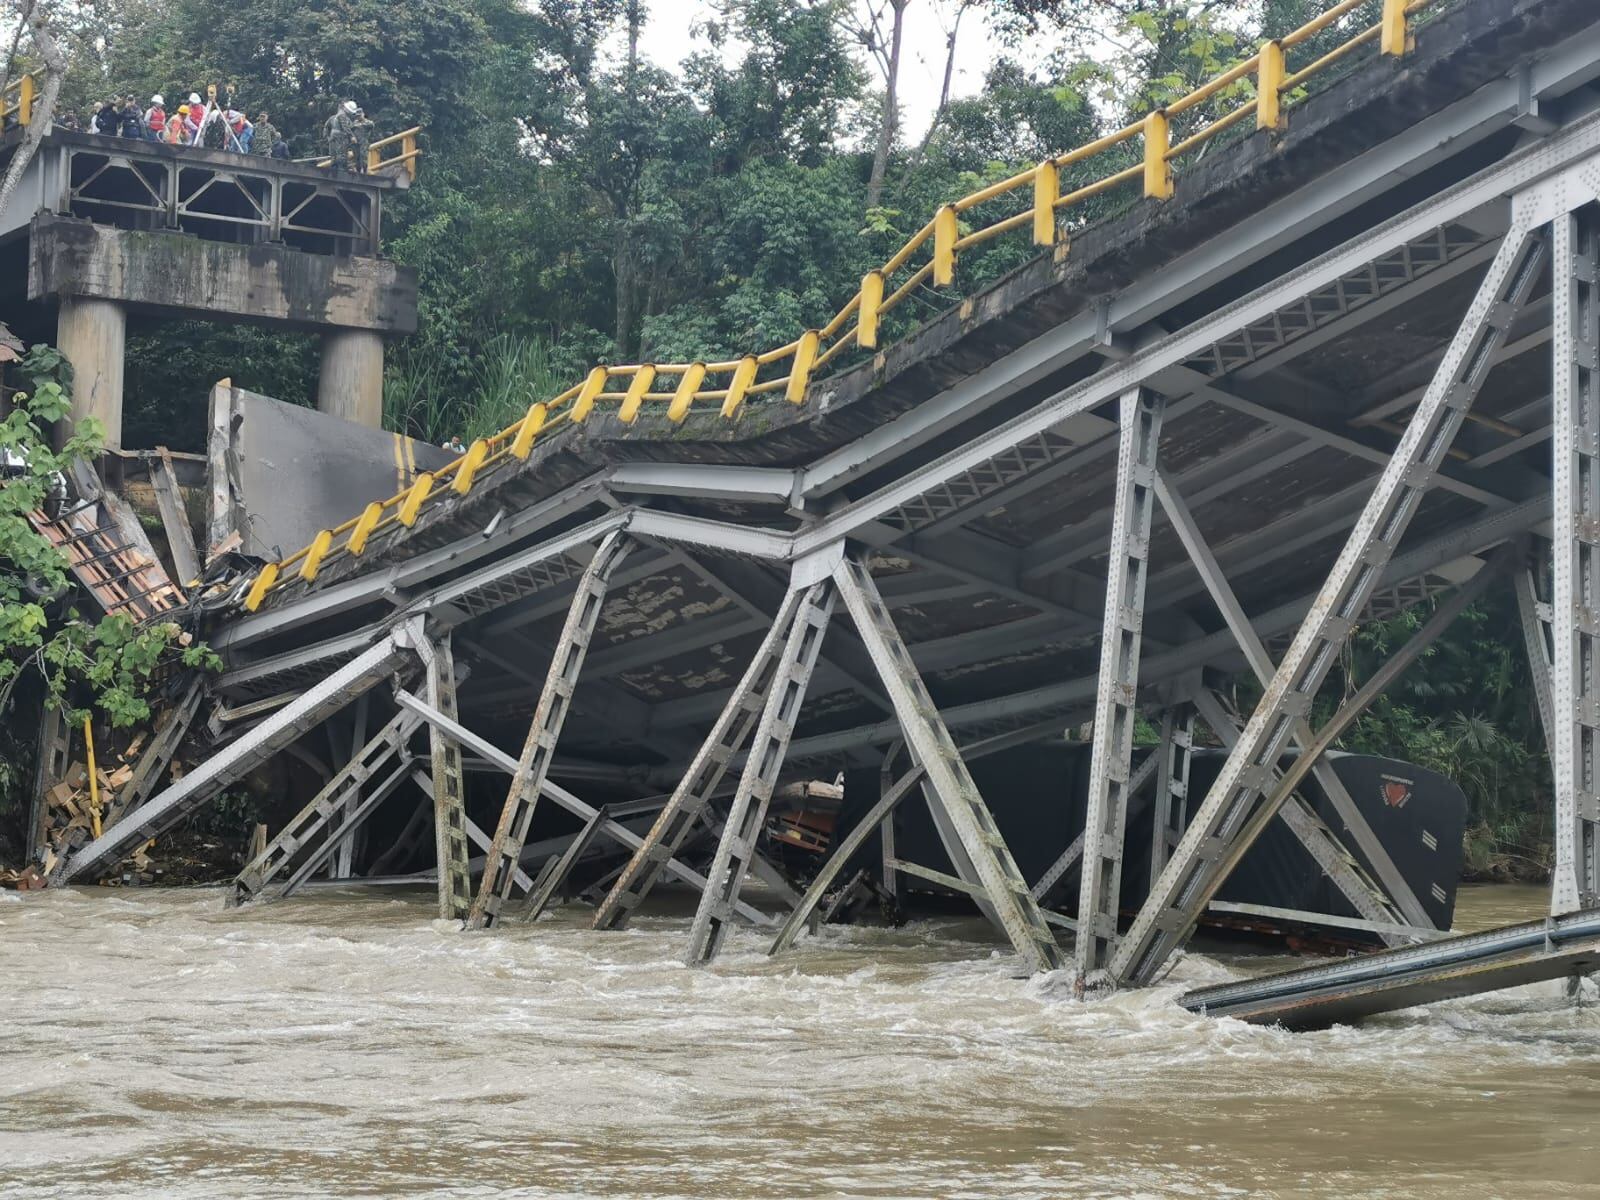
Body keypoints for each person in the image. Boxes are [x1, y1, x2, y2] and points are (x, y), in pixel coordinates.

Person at [324, 99, 357, 171]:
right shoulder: (342, 115)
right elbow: (345, 127)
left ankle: (334, 171)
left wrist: (328, 137)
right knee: (341, 155)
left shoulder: (334, 117)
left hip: (333, 137)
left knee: (334, 156)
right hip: (340, 137)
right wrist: (352, 136)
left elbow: (326, 127)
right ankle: (341, 171)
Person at [351, 107, 374, 173]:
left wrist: (361, 124)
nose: (358, 117)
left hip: (363, 142)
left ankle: (364, 171)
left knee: (363, 157)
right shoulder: (354, 123)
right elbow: (350, 130)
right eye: (357, 116)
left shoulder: (368, 122)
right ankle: (358, 172)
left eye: (360, 115)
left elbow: (371, 125)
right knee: (356, 158)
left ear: (363, 114)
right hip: (355, 143)